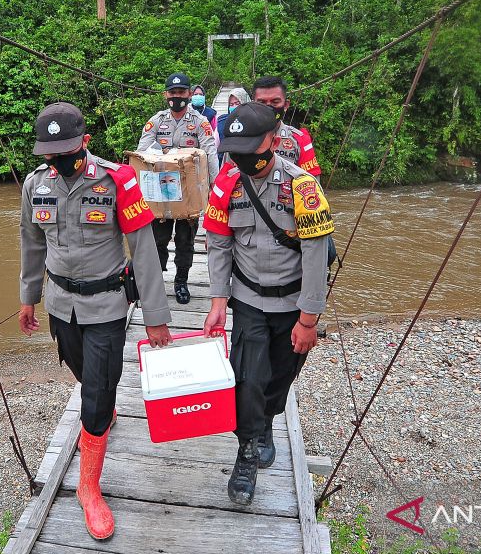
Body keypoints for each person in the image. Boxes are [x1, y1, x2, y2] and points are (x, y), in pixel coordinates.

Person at [18, 102, 172, 541]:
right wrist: (28, 298)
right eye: (50, 154)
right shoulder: (35, 185)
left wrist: (157, 319)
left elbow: (144, 251)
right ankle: (100, 412)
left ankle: (89, 487)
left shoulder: (118, 180)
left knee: (99, 390)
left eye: (65, 152)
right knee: (84, 374)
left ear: (84, 143)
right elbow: (30, 243)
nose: (57, 162)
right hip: (60, 303)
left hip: (106, 305)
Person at [200, 101, 333, 506]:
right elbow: (219, 243)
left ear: (273, 142)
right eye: (234, 153)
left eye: (250, 152)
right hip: (249, 300)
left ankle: (267, 421)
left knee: (279, 378)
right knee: (247, 379)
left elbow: (315, 253)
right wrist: (218, 298)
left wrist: (308, 319)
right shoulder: (227, 182)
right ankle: (246, 451)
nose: (242, 161)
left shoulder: (303, 187)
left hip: (293, 303)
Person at [137, 72, 220, 304]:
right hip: (160, 192)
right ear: (166, 95)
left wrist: (217, 187)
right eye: (173, 93)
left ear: (189, 94)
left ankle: (181, 282)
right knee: (158, 239)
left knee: (185, 240)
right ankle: (157, 282)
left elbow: (210, 153)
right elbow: (142, 152)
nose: (177, 97)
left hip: (189, 192)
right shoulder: (156, 121)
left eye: (182, 92)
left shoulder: (200, 123)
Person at [250, 75, 321, 176]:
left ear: (286, 105)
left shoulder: (300, 139)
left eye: (275, 102)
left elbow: (312, 182)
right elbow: (226, 180)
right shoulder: (237, 139)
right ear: (252, 105)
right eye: (262, 102)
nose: (268, 108)